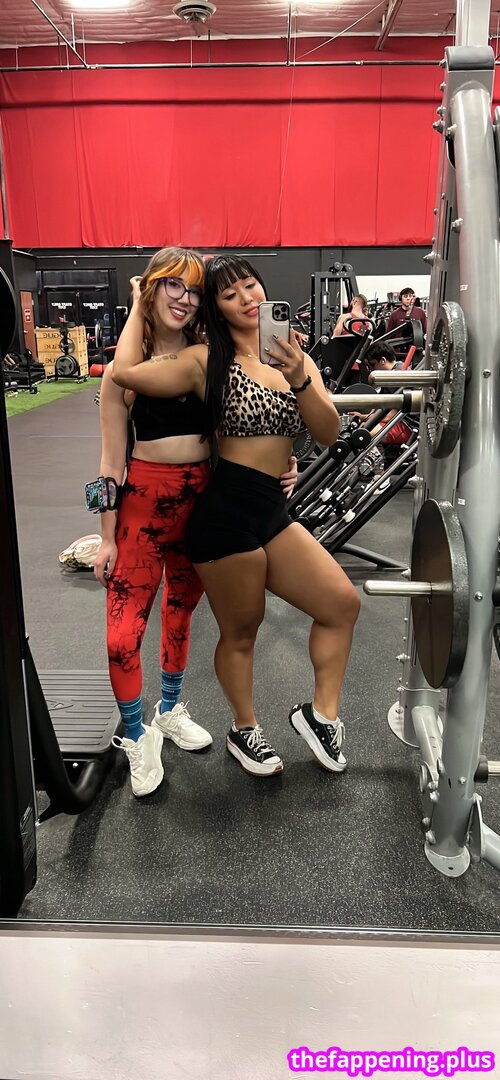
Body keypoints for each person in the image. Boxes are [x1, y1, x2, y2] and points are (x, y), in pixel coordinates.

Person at [113, 255, 361, 779]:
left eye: (250, 286)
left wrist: (300, 378)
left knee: (341, 603)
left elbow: (328, 433)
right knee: (243, 629)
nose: (247, 298)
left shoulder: (295, 356)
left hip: (272, 509)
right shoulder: (207, 360)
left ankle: (321, 717)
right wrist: (138, 303)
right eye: (230, 294)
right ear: (217, 309)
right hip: (224, 512)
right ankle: (244, 728)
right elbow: (127, 373)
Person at [94, 247, 298, 797]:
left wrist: (283, 463)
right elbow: (108, 465)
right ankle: (136, 735)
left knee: (180, 615)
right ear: (150, 288)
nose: (184, 299)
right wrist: (107, 536)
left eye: (193, 289)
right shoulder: (124, 374)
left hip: (203, 507)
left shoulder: (212, 359)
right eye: (172, 286)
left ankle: (169, 710)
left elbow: (250, 423)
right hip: (141, 509)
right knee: (122, 636)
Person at [364, 340, 412, 447]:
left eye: (372, 365)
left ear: (382, 361)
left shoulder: (396, 375)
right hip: (399, 421)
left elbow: (391, 415)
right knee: (364, 428)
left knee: (365, 433)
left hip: (408, 426)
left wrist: (365, 417)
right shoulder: (394, 372)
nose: (371, 370)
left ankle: (374, 457)